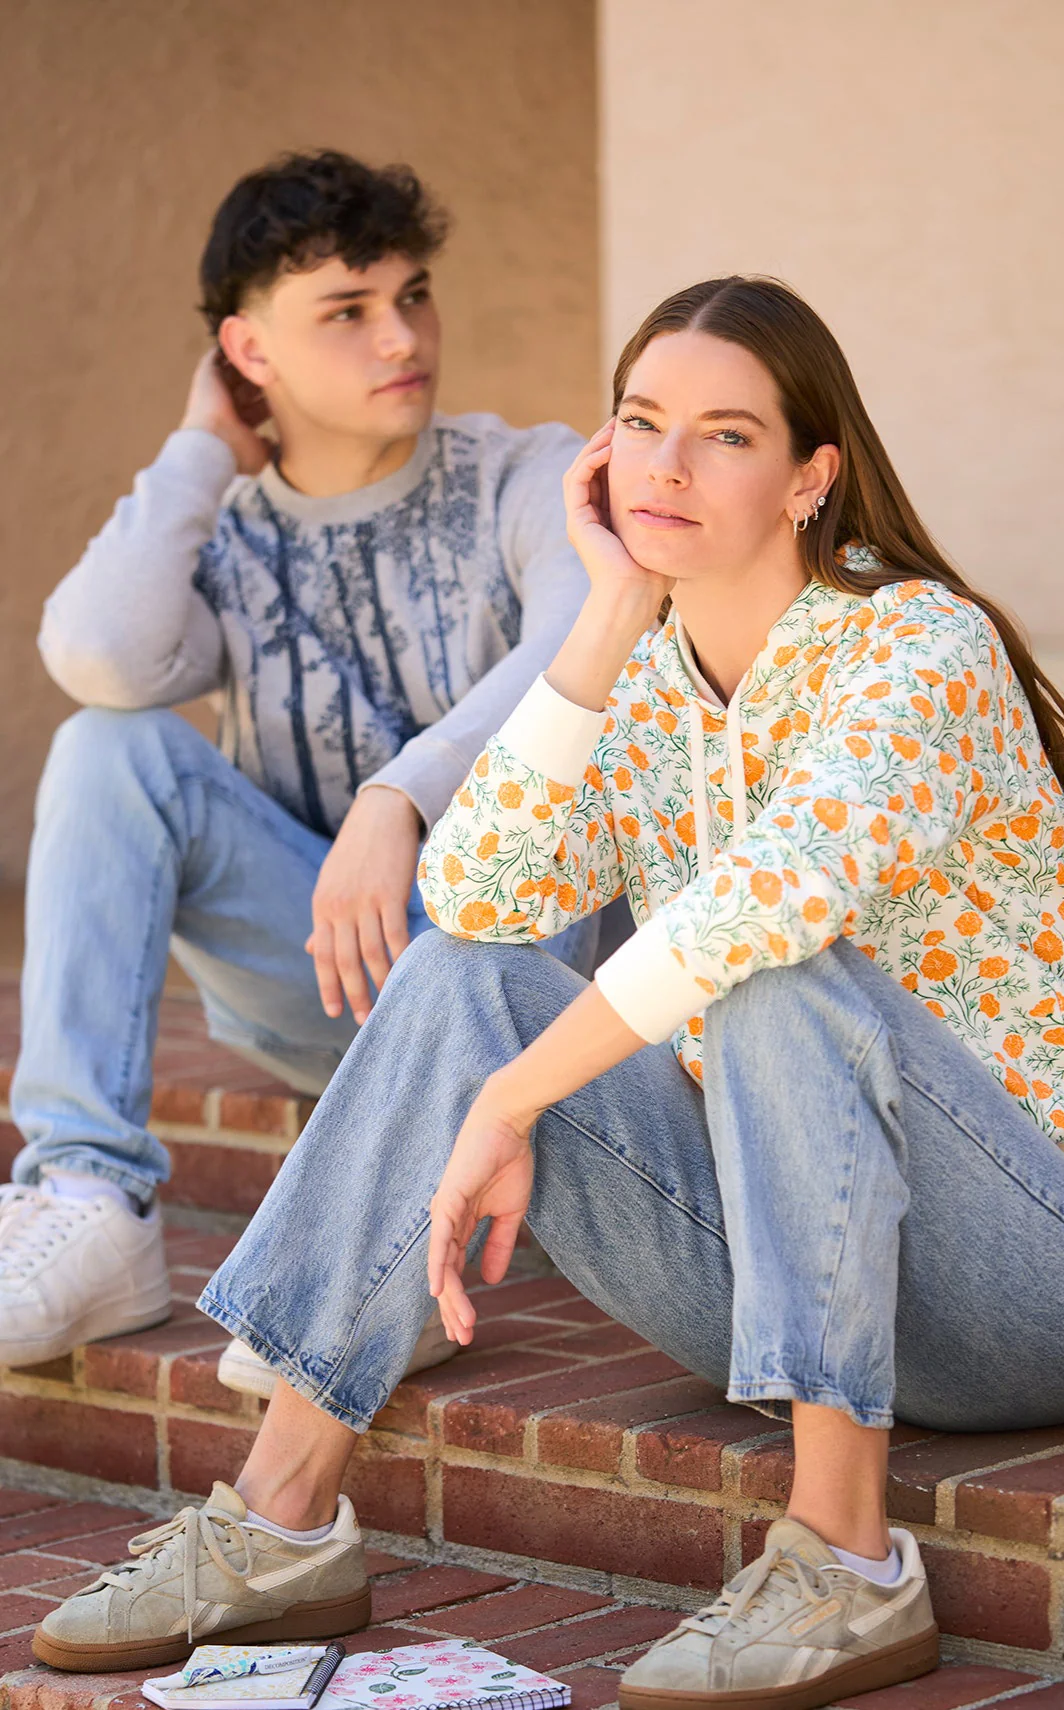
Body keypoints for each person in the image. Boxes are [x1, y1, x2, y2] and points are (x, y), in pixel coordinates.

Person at [34, 277, 1064, 1710]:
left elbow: (775, 895)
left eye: (725, 434)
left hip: (1042, 1284)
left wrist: (515, 1097)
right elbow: (479, 903)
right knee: (459, 978)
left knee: (767, 974)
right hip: (788, 1272)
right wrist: (606, 615)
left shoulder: (918, 647)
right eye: (641, 422)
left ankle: (845, 1561)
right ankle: (280, 1514)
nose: (668, 466)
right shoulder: (652, 682)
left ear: (813, 475)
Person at [0, 149, 596, 1376]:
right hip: (324, 979)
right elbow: (101, 654)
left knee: (564, 769)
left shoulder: (527, 475)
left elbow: (582, 644)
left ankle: (376, 1261)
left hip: (518, 993)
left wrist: (399, 797)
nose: (403, 338)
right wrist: (196, 452)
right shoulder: (223, 537)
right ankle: (91, 1199)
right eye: (347, 311)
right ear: (247, 352)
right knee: (108, 747)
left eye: (413, 295)